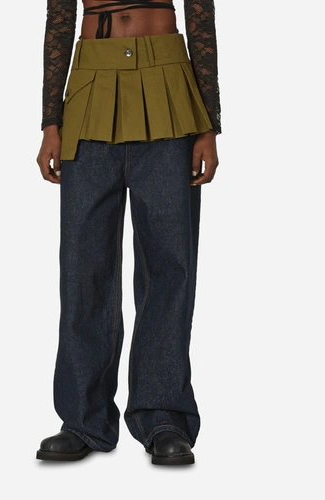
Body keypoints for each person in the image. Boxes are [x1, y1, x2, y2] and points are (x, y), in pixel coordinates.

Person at [36, 0, 221, 466]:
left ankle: (164, 416)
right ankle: (83, 419)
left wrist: (209, 125)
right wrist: (50, 121)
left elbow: (201, 16)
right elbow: (59, 19)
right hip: (89, 87)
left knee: (170, 265)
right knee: (83, 266)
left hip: (169, 86)